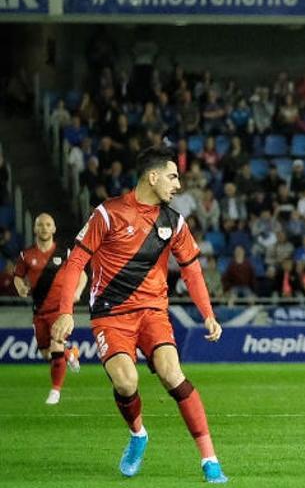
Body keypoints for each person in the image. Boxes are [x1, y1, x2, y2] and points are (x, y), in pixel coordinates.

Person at [51, 147, 228, 483]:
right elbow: (75, 262)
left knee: (171, 372)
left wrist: (207, 314)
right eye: (173, 176)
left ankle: (210, 460)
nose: (178, 184)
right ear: (153, 176)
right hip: (111, 314)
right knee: (126, 380)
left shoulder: (173, 222)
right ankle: (138, 435)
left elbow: (191, 271)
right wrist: (65, 311)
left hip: (153, 312)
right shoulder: (107, 214)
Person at [13, 214, 87, 405]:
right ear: (35, 229)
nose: (44, 228)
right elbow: (18, 275)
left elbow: (82, 274)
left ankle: (55, 391)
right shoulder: (26, 255)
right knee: (47, 354)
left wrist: (77, 291)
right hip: (39, 312)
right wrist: (20, 286)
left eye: (48, 225)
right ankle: (71, 354)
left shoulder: (65, 253)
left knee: (56, 347)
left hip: (60, 311)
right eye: (40, 225)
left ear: (54, 229)